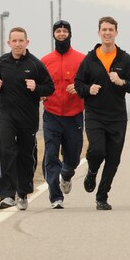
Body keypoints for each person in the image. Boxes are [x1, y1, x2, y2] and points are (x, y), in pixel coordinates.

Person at [74, 16, 130, 210]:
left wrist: (122, 82)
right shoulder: (89, 59)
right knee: (97, 151)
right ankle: (92, 171)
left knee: (114, 158)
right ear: (99, 33)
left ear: (116, 33)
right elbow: (78, 84)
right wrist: (88, 90)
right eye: (104, 30)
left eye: (110, 30)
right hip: (95, 114)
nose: (107, 33)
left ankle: (102, 196)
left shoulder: (124, 59)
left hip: (117, 116)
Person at [0, 27, 55, 210]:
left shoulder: (35, 65)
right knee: (6, 150)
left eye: (21, 41)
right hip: (6, 115)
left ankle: (23, 192)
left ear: (27, 42)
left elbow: (50, 87)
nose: (18, 44)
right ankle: (6, 195)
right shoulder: (2, 62)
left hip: (28, 117)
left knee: (25, 154)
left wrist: (36, 87)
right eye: (14, 41)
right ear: (8, 43)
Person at [41, 20, 86, 209]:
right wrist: (40, 92)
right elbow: (37, 84)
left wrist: (79, 88)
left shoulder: (81, 59)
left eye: (64, 31)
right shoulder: (44, 61)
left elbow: (89, 84)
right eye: (58, 31)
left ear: (70, 34)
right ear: (53, 35)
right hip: (52, 114)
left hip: (74, 114)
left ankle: (67, 173)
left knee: (73, 156)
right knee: (51, 154)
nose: (61, 34)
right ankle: (55, 196)